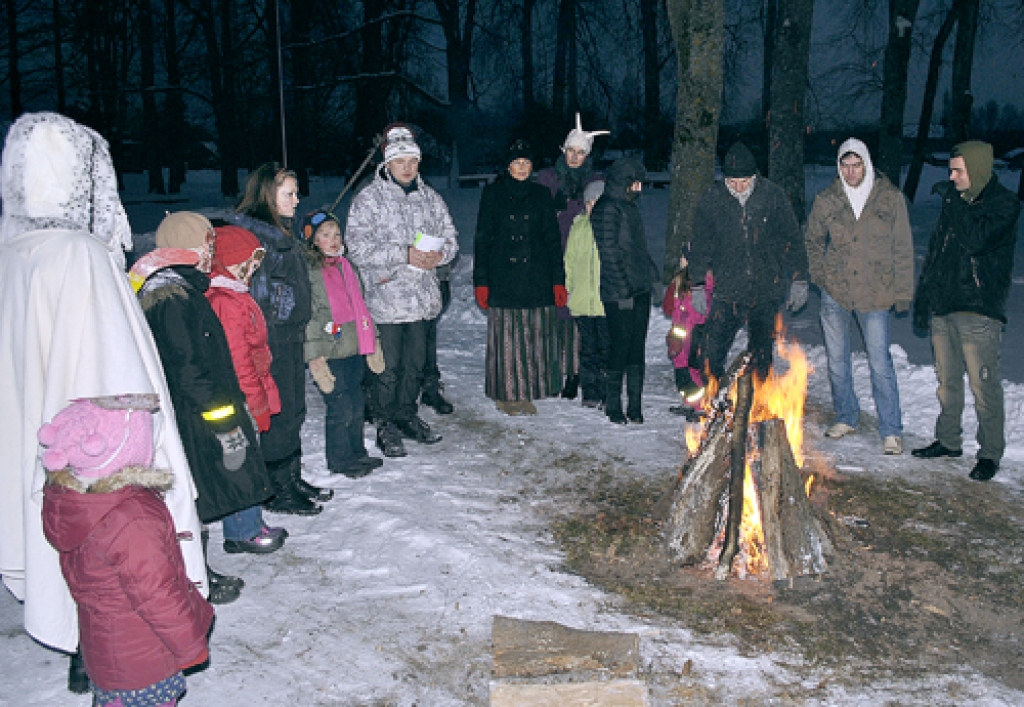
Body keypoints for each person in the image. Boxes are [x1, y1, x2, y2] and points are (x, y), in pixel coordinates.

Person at [0, 112, 206, 694]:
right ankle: (99, 650)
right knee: (118, 560)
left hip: (52, 460)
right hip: (99, 463)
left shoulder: (12, 253)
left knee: (72, 552)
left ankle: (85, 640)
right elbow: (115, 371)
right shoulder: (79, 255)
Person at [136, 212, 285, 603]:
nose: (210, 253)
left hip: (200, 414)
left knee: (200, 490)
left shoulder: (185, 290)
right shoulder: (170, 299)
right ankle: (192, 576)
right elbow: (189, 370)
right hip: (194, 418)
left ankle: (197, 569)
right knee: (191, 493)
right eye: (206, 244)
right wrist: (224, 423)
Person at [40, 396, 214, 707]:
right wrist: (190, 644)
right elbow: (158, 595)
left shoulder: (76, 503)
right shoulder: (131, 518)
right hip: (144, 661)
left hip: (105, 655)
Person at [911, 140, 1022, 481]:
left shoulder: (1005, 204)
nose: (952, 176)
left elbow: (976, 238)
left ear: (977, 169)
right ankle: (948, 441)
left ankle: (989, 453)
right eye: (951, 170)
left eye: (959, 170)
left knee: (983, 386)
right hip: (944, 306)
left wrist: (952, 202)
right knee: (947, 383)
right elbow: (938, 251)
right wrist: (923, 297)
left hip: (978, 309)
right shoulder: (955, 203)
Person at [346, 123, 459, 457]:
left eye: (412, 160)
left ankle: (406, 415)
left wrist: (441, 255)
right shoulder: (369, 199)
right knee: (388, 366)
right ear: (387, 164)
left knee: (415, 365)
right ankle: (384, 422)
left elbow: (451, 238)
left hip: (422, 299)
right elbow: (357, 247)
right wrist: (403, 253)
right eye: (400, 162)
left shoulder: (431, 199)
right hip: (387, 299)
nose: (407, 167)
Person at [227, 164, 330, 513]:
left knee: (295, 409)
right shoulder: (256, 239)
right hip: (272, 341)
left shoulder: (282, 233)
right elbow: (259, 299)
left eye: (296, 192)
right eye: (289, 194)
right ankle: (276, 487)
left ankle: (291, 475)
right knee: (279, 412)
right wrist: (287, 310)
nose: (296, 200)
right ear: (267, 196)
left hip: (290, 336)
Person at [805, 138, 914, 455]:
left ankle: (891, 429)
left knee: (880, 361)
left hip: (874, 292)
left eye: (856, 165)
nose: (851, 172)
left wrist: (903, 291)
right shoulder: (827, 199)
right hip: (835, 292)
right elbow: (811, 240)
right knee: (838, 361)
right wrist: (820, 276)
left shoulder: (889, 198)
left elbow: (903, 248)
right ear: (838, 167)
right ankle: (846, 415)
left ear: (866, 164)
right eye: (845, 165)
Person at [687, 141, 809, 383]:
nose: (739, 187)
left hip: (765, 289)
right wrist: (697, 284)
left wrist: (800, 278)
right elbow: (700, 244)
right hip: (727, 290)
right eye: (732, 182)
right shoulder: (712, 200)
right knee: (710, 355)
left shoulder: (772, 195)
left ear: (754, 176)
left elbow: (791, 239)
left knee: (761, 357)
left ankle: (757, 407)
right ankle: (717, 403)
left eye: (744, 181)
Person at [473, 138, 566, 415]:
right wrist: (481, 281)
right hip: (503, 276)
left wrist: (557, 279)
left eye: (526, 163)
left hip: (536, 276)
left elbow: (552, 239)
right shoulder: (492, 194)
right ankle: (505, 394)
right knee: (507, 339)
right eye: (517, 163)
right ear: (508, 166)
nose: (522, 168)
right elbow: (482, 240)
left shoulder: (541, 194)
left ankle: (526, 391)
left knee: (532, 337)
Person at [302, 209, 386, 476]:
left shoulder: (347, 266)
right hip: (330, 352)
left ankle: (357, 452)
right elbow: (311, 317)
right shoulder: (311, 272)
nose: (334, 240)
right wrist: (315, 358)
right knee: (340, 407)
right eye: (325, 235)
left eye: (337, 234)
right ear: (313, 240)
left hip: (353, 347)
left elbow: (361, 308)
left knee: (357, 402)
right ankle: (340, 459)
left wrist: (373, 341)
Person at [536, 113, 609, 400]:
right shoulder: (547, 178)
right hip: (553, 251)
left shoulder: (595, 181)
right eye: (571, 151)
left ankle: (576, 373)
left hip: (582, 255)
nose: (575, 157)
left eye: (581, 152)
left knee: (579, 318)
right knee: (557, 316)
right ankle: (554, 370)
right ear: (563, 150)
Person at [591, 156, 660, 425]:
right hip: (620, 292)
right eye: (636, 183)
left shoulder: (628, 206)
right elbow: (609, 254)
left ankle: (634, 405)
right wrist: (623, 291)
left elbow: (638, 250)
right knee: (619, 347)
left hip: (638, 288)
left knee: (636, 348)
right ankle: (613, 405)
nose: (640, 189)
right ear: (624, 182)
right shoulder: (607, 209)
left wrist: (652, 279)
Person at [563, 179, 610, 408]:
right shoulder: (578, 226)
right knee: (587, 349)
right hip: (582, 300)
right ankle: (590, 392)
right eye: (589, 202)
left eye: (598, 202)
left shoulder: (612, 226)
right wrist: (568, 287)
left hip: (604, 302)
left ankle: (606, 391)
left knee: (606, 349)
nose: (593, 207)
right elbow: (570, 261)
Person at [663, 255, 712, 420]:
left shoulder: (706, 280)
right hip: (680, 331)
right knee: (680, 367)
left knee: (694, 367)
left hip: (696, 330)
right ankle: (688, 401)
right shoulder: (679, 281)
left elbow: (708, 306)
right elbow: (669, 307)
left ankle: (699, 405)